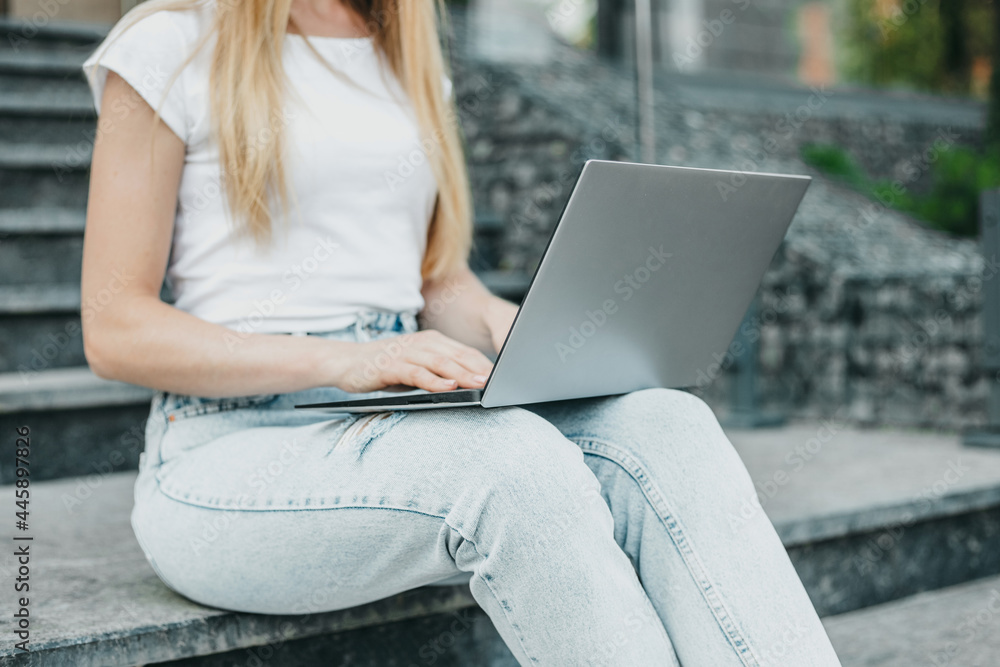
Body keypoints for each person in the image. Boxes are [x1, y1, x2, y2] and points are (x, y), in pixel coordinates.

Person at [80, 0, 843, 664]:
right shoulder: (166, 44)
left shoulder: (402, 52)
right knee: (513, 466)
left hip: (392, 408)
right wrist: (351, 358)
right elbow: (114, 327)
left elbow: (434, 280)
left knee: (669, 423)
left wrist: (508, 324)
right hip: (225, 446)